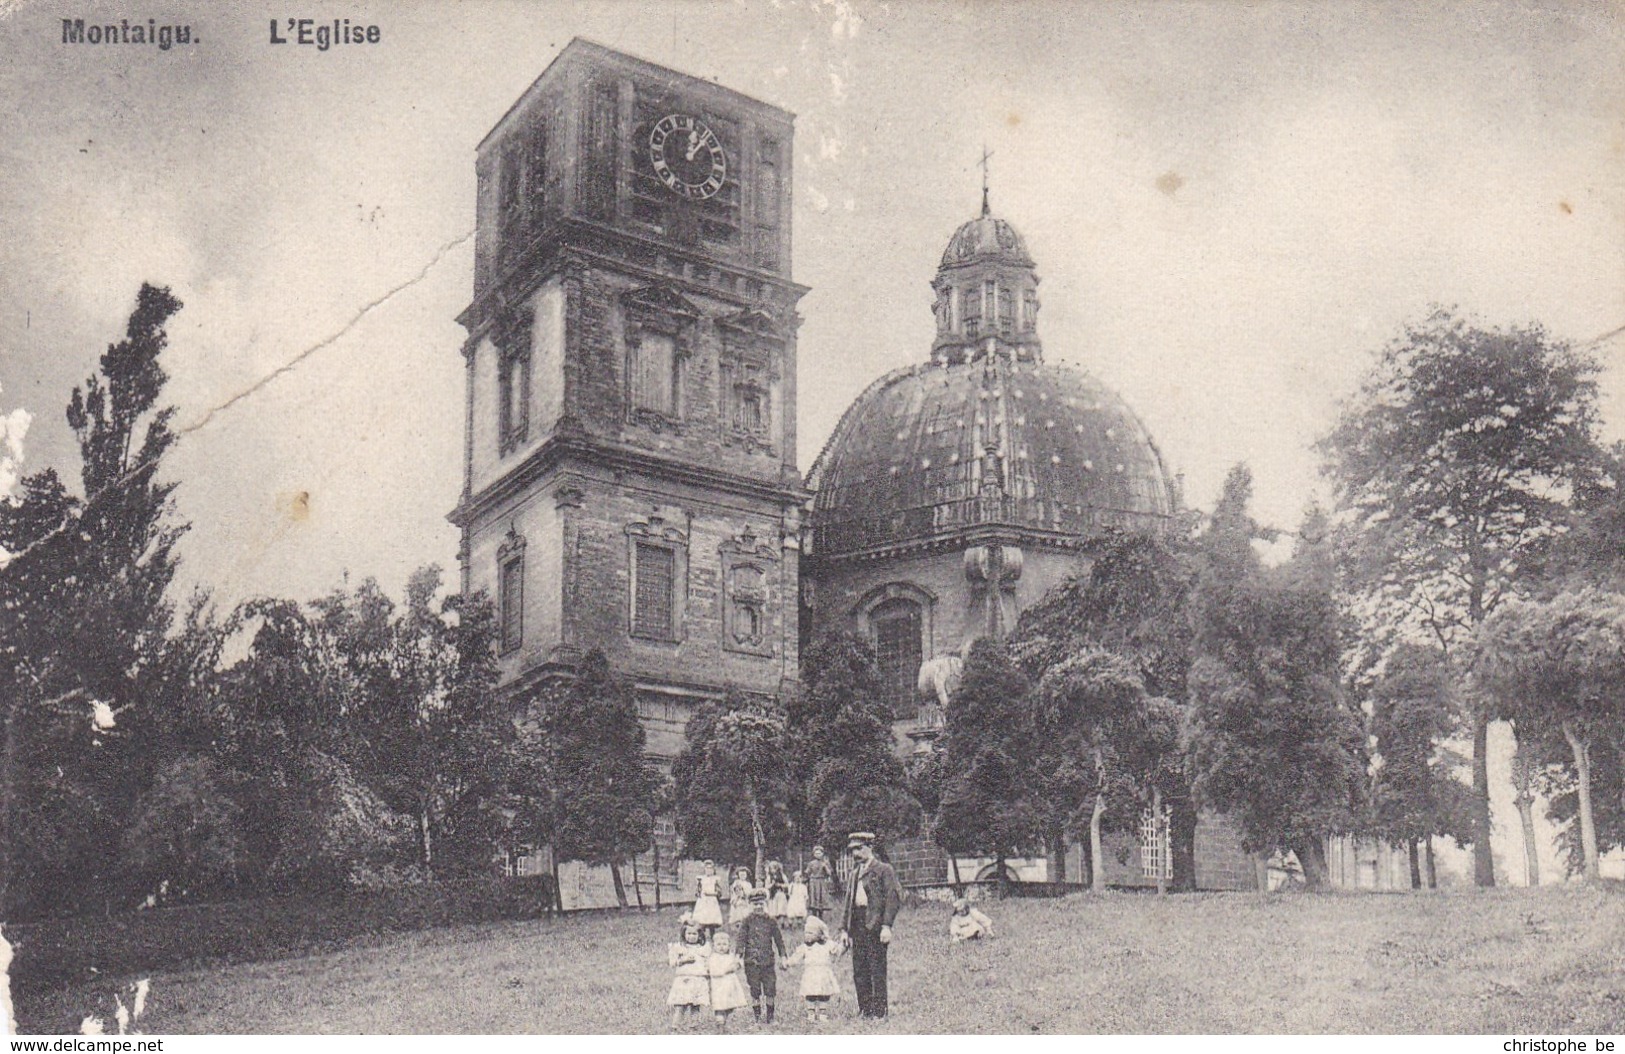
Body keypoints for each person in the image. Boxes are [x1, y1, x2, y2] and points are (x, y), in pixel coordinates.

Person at [832, 831, 903, 1020]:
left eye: (859, 848)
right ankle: (865, 1009)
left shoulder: (883, 870)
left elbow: (893, 898)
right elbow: (848, 903)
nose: (855, 853)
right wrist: (844, 930)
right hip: (857, 924)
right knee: (859, 969)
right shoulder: (855, 873)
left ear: (870, 848)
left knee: (876, 968)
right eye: (852, 849)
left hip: (876, 924)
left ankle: (880, 1011)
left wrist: (887, 925)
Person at [733, 887, 786, 1023]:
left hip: (768, 962)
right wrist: (738, 957)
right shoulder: (746, 921)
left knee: (770, 989)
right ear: (750, 905)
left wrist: (783, 956)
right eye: (755, 904)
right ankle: (757, 1018)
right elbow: (741, 940)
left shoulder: (771, 921)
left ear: (766, 904)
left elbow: (779, 940)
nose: (758, 906)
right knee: (755, 989)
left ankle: (770, 1017)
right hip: (752, 962)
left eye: (761, 903)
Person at [785, 915, 843, 1024]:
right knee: (810, 994)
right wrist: (788, 963)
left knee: (824, 994)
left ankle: (822, 1013)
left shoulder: (827, 944)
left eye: (811, 933)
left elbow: (836, 949)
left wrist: (842, 946)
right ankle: (811, 1013)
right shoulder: (805, 947)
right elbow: (796, 956)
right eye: (806, 933)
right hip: (810, 974)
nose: (807, 935)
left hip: (823, 973)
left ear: (819, 935)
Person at [666, 923, 711, 1030]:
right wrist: (683, 960)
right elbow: (672, 962)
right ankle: (676, 1025)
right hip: (684, 979)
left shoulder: (703, 949)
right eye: (689, 933)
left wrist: (708, 972)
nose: (691, 936)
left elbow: (708, 963)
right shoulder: (680, 948)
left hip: (698, 979)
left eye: (694, 934)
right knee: (681, 1004)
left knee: (695, 1005)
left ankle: (694, 1025)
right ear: (684, 934)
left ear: (700, 935)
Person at [704, 931, 751, 1030]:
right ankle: (720, 1022)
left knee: (731, 1004)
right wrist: (726, 970)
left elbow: (738, 963)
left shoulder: (730, 956)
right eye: (719, 944)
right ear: (714, 946)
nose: (722, 947)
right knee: (719, 1004)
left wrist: (737, 965)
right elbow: (713, 971)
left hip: (730, 985)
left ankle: (724, 1018)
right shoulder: (713, 958)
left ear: (729, 945)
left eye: (724, 944)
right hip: (719, 985)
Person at [692, 860, 724, 938]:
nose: (709, 871)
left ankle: (712, 935)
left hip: (712, 900)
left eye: (710, 869)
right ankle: (702, 935)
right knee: (702, 918)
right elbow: (698, 891)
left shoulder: (715, 880)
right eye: (707, 869)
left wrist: (714, 894)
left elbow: (719, 892)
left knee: (711, 919)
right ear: (704, 870)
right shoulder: (701, 879)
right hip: (703, 901)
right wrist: (699, 892)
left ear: (713, 870)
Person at [805, 844, 833, 919]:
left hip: (821, 881)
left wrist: (825, 866)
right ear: (814, 854)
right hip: (813, 882)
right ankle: (814, 915)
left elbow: (829, 873)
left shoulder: (825, 863)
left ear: (822, 854)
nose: (818, 855)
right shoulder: (811, 863)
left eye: (820, 853)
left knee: (821, 897)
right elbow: (807, 872)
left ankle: (821, 916)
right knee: (814, 898)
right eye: (816, 853)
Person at [765, 860, 790, 924]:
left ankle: (782, 923)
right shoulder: (769, 877)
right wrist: (772, 884)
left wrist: (780, 885)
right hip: (773, 895)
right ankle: (775, 923)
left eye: (774, 868)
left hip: (780, 893)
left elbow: (787, 885)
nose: (773, 870)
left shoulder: (782, 876)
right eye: (771, 869)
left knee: (781, 908)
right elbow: (766, 886)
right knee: (774, 909)